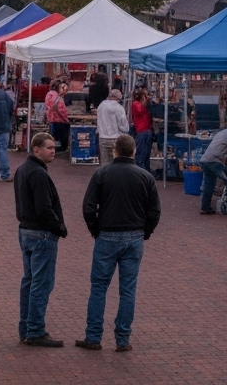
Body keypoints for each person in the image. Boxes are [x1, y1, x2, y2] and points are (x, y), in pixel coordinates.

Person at [76, 135, 160, 352]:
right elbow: (154, 211)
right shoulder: (145, 177)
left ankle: (93, 336)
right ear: (133, 151)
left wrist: (95, 229)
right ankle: (122, 339)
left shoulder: (102, 173)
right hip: (134, 236)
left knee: (99, 287)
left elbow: (88, 207)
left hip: (107, 235)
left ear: (114, 150)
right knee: (128, 290)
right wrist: (145, 232)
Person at [15, 132, 67, 347]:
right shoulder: (38, 174)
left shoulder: (23, 170)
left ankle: (26, 328)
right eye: (48, 148)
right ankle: (35, 329)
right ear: (36, 149)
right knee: (40, 283)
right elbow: (44, 208)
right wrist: (59, 227)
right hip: (41, 234)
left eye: (54, 147)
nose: (53, 151)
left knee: (29, 281)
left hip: (26, 231)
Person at [96, 89, 129, 163]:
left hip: (102, 137)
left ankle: (105, 174)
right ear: (118, 98)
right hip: (115, 138)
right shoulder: (118, 108)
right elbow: (123, 124)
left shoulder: (101, 105)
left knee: (104, 162)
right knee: (116, 162)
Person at [131, 88, 153, 170]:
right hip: (142, 131)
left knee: (146, 154)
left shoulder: (141, 104)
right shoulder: (136, 104)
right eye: (145, 95)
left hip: (147, 131)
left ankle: (146, 170)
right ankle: (140, 170)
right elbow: (139, 111)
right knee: (141, 153)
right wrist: (145, 101)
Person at [45, 80, 70, 151]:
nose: (65, 91)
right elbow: (62, 111)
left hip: (51, 120)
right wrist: (66, 120)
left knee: (53, 137)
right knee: (62, 139)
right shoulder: (58, 98)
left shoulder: (49, 94)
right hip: (60, 121)